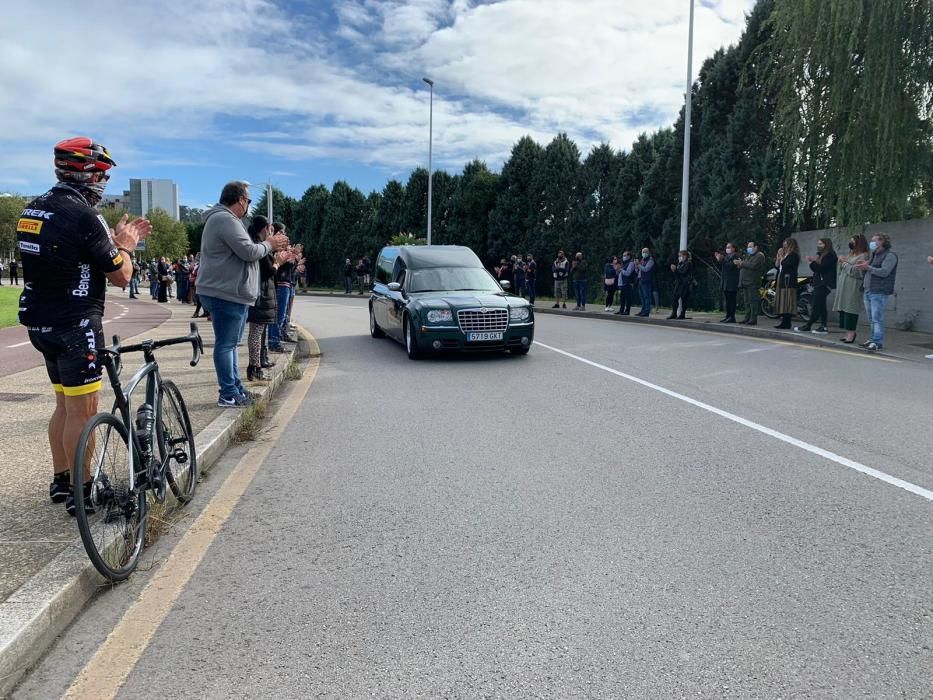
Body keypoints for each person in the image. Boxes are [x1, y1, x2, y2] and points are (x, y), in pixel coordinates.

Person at [17, 137, 150, 514]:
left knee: (63, 405)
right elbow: (122, 276)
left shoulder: (34, 207)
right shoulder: (84, 216)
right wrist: (125, 244)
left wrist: (108, 240)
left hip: (40, 322)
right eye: (103, 174)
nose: (104, 182)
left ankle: (62, 480)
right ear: (88, 174)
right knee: (84, 411)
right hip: (76, 323)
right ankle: (84, 489)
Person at [196, 181, 289, 407]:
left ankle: (236, 388)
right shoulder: (225, 219)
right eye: (248, 200)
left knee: (231, 344)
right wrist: (270, 244)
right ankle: (228, 393)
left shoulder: (226, 220)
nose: (248, 205)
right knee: (227, 344)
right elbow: (249, 251)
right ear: (240, 200)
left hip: (230, 293)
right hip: (225, 293)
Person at [245, 216, 277, 381]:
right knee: (256, 334)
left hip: (259, 293)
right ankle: (254, 367)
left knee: (256, 333)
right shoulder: (259, 247)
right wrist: (279, 262)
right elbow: (268, 270)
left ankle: (255, 366)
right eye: (269, 230)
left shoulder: (257, 245)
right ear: (265, 229)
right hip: (260, 294)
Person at [855, 233, 898, 352]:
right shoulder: (874, 254)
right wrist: (862, 267)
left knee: (877, 317)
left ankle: (877, 342)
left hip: (879, 291)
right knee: (871, 318)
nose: (871, 243)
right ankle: (873, 338)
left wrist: (867, 268)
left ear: (882, 241)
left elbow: (884, 272)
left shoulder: (890, 255)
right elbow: (868, 269)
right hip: (868, 290)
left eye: (874, 240)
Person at [833, 234, 869, 344]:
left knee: (851, 309)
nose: (850, 243)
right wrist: (841, 261)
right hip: (844, 285)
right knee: (843, 309)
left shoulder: (864, 255)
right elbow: (843, 268)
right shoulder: (850, 254)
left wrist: (844, 263)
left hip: (853, 286)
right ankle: (847, 332)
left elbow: (857, 271)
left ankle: (851, 333)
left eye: (852, 241)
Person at [798, 238, 837, 334]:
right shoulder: (821, 255)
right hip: (819, 283)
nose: (818, 245)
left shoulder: (830, 255)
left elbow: (822, 268)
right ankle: (823, 326)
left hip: (824, 284)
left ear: (826, 244)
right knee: (821, 305)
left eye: (820, 244)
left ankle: (809, 325)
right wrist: (812, 263)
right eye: (818, 244)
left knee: (816, 305)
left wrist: (813, 262)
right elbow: (816, 269)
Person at [268, 242, 296, 352]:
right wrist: (287, 258)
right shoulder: (276, 252)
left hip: (285, 285)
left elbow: (290, 270)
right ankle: (274, 342)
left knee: (281, 315)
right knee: (278, 316)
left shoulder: (283, 252)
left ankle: (276, 339)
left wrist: (293, 260)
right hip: (280, 285)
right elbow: (278, 268)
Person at [737, 241, 767, 325]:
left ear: (755, 247)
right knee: (747, 301)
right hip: (745, 282)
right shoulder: (749, 255)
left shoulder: (759, 256)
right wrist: (740, 264)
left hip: (753, 282)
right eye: (748, 247)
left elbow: (752, 266)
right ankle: (747, 318)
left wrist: (742, 263)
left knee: (753, 301)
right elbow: (746, 265)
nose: (748, 248)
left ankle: (753, 319)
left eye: (750, 246)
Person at [773, 238, 800, 329]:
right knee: (782, 301)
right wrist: (779, 257)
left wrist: (781, 257)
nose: (785, 247)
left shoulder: (793, 255)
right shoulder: (785, 254)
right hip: (782, 279)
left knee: (787, 301)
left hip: (788, 281)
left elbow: (785, 264)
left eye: (786, 245)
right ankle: (783, 321)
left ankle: (787, 322)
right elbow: (777, 266)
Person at [714, 243, 740, 322]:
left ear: (733, 248)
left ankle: (732, 317)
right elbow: (723, 267)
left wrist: (722, 259)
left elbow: (730, 266)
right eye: (726, 247)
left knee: (732, 300)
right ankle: (728, 316)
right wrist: (719, 259)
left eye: (729, 247)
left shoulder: (736, 256)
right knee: (728, 300)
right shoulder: (726, 257)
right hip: (725, 282)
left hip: (732, 282)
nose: (727, 249)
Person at [668, 251, 693, 319]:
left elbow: (683, 273)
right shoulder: (680, 263)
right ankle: (674, 313)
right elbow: (678, 275)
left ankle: (682, 314)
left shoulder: (688, 263)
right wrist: (674, 270)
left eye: (680, 256)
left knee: (684, 299)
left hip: (684, 284)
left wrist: (676, 270)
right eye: (679, 256)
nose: (679, 257)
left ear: (685, 256)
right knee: (674, 298)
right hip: (679, 283)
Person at [636, 247, 655, 317]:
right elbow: (639, 270)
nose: (644, 253)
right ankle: (643, 310)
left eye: (645, 252)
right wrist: (636, 266)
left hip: (646, 280)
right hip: (641, 280)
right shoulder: (642, 260)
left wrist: (639, 265)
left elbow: (646, 269)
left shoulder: (650, 260)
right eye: (643, 252)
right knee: (642, 296)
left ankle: (647, 311)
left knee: (647, 296)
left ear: (648, 252)